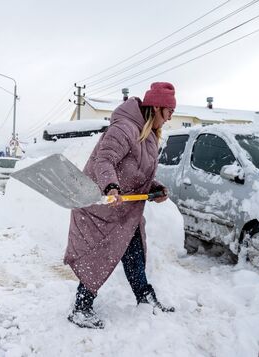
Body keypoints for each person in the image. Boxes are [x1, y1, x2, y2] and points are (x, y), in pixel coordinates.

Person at [64, 82, 177, 329]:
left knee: (135, 254)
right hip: (101, 206)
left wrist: (154, 188)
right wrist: (111, 187)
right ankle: (81, 308)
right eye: (169, 112)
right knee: (98, 256)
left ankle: (145, 297)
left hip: (126, 211)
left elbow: (136, 171)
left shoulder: (148, 136)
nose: (170, 118)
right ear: (157, 108)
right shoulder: (125, 128)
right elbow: (105, 160)